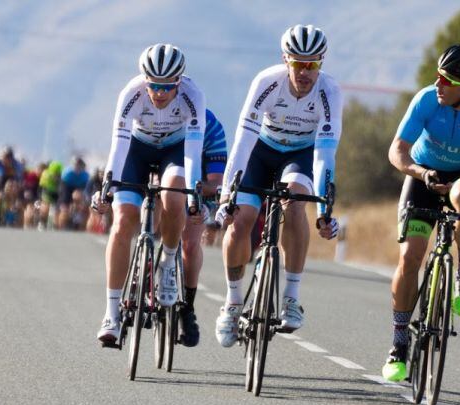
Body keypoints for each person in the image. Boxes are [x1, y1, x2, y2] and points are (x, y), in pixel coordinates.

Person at [381, 44, 460, 382]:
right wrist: (418, 172)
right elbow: (397, 149)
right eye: (437, 75)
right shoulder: (426, 99)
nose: (437, 83)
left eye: (447, 79)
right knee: (410, 258)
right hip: (423, 175)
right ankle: (398, 344)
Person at [214, 25, 342, 347]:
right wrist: (227, 195)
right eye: (298, 63)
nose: (304, 71)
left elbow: (325, 154)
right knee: (240, 220)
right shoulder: (267, 83)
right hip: (261, 151)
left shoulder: (330, 92)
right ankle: (231, 303)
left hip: (300, 154)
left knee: (296, 201)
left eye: (311, 64)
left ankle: (291, 296)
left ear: (321, 63)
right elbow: (243, 142)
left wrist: (326, 210)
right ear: (286, 61)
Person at [93, 43, 205, 344]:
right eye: (153, 85)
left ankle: (169, 264)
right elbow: (119, 144)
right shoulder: (132, 93)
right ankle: (111, 313)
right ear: (145, 80)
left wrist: (193, 193)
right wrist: (108, 187)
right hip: (136, 152)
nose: (159, 93)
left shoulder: (193, 97)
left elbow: (194, 151)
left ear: (178, 82)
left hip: (175, 149)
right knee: (122, 221)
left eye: (167, 87)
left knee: (174, 196)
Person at [178, 108, 228, 347]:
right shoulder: (162, 116)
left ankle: (187, 307)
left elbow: (216, 184)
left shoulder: (213, 128)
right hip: (165, 173)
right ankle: (144, 275)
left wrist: (199, 193)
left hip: (198, 189)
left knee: (189, 242)